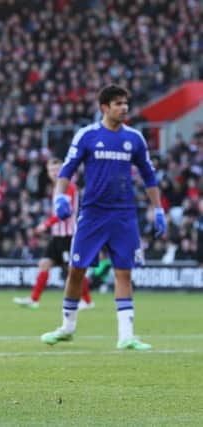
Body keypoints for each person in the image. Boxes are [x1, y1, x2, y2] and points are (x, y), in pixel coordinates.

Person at [40, 84, 166, 351]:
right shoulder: (87, 136)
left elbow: (148, 175)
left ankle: (126, 335)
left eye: (126, 103)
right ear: (104, 108)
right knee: (76, 271)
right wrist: (60, 198)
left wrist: (158, 209)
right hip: (93, 215)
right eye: (119, 103)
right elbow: (67, 170)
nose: (124, 108)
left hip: (124, 216)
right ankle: (67, 327)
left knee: (124, 273)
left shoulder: (134, 139)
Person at [13, 157, 94, 310]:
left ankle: (87, 301)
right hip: (57, 236)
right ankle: (34, 299)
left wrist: (45, 224)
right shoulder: (57, 187)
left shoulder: (68, 187)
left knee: (73, 270)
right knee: (44, 264)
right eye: (51, 170)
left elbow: (65, 212)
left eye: (56, 169)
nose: (53, 173)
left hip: (68, 236)